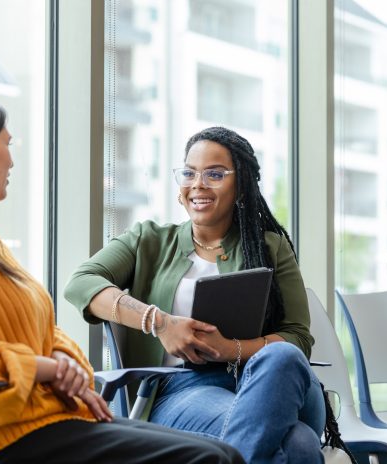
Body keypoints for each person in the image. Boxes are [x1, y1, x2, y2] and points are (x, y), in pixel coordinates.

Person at [0, 91, 245, 464]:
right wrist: (50, 369)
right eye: (7, 144)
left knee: (221, 453)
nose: (12, 158)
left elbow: (39, 330)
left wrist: (62, 360)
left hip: (39, 420)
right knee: (212, 459)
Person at [65, 126, 342, 463]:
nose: (198, 184)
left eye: (214, 174)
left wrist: (232, 350)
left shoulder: (270, 247)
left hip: (278, 385)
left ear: (241, 187)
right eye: (189, 172)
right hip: (182, 392)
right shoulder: (148, 240)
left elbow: (297, 339)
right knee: (297, 443)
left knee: (282, 358)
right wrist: (160, 323)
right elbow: (81, 282)